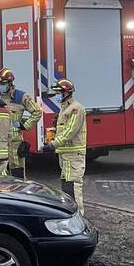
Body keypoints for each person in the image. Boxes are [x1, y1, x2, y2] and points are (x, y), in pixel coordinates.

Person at [42, 79, 86, 214]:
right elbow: (64, 130)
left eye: (58, 92)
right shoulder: (64, 109)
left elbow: (70, 132)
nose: (56, 95)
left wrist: (53, 144)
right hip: (66, 155)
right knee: (67, 186)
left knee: (73, 186)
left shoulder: (75, 109)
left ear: (67, 93)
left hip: (73, 155)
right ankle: (70, 214)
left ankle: (78, 216)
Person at [0, 68, 41, 179]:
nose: (0, 86)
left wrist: (25, 125)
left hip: (15, 144)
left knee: (18, 176)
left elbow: (37, 111)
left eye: (3, 84)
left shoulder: (21, 96)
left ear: (10, 84)